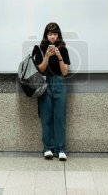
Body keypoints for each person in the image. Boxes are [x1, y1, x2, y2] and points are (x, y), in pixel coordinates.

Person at [32, 22, 70, 161]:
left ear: (58, 35)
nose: (52, 37)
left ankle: (61, 149)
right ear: (46, 35)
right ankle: (48, 148)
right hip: (45, 83)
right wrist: (47, 56)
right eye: (50, 34)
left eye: (55, 34)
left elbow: (65, 72)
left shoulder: (64, 49)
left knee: (60, 117)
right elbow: (40, 70)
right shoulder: (40, 49)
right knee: (46, 117)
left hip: (60, 82)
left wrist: (59, 56)